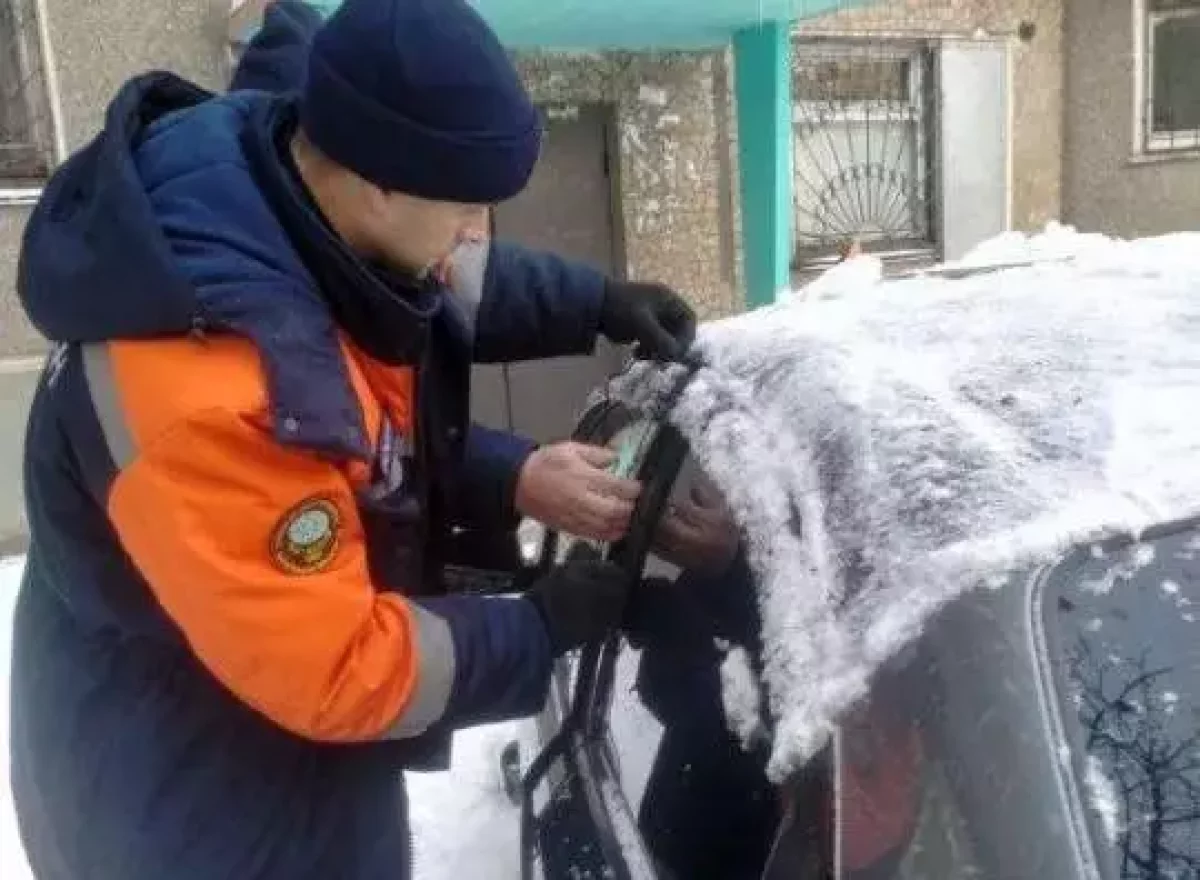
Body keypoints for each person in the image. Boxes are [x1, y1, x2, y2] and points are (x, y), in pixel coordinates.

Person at [8, 1, 696, 878]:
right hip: (189, 801)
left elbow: (422, 300)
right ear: (379, 184)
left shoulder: (286, 173)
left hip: (263, 725)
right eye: (465, 205)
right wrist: (534, 628)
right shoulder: (214, 384)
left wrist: (591, 306)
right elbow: (333, 666)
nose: (476, 233)